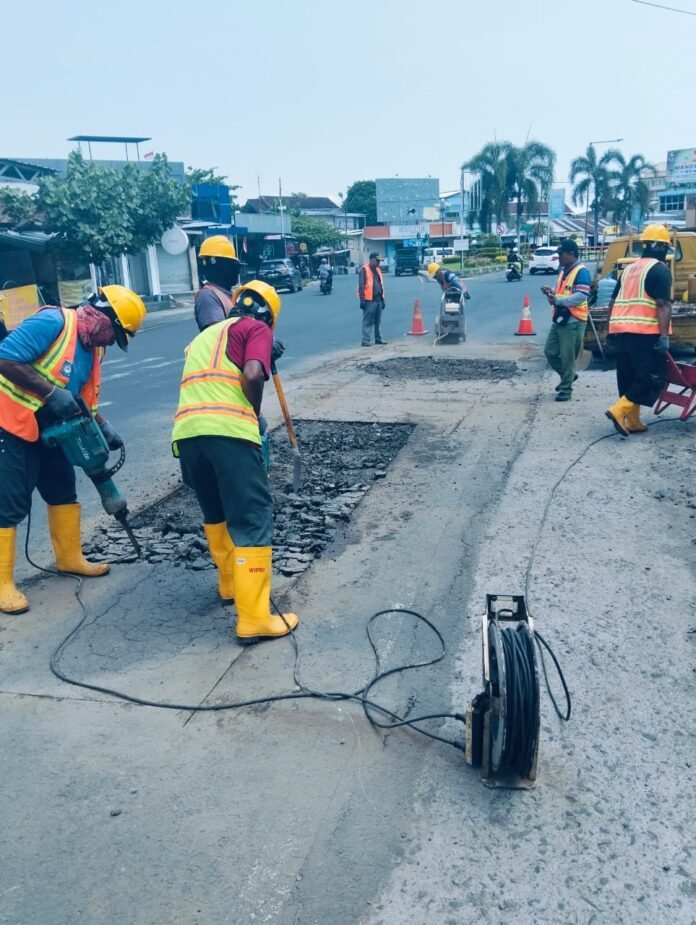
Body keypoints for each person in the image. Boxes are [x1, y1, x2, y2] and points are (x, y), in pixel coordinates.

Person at [0, 286, 146, 614]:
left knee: (63, 490)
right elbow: (5, 358)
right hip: (11, 422)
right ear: (103, 317)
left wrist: (102, 424)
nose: (112, 342)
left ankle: (69, 558)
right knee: (9, 502)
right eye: (115, 334)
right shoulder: (53, 323)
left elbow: (82, 396)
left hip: (53, 429)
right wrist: (50, 393)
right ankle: (3, 584)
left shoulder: (93, 349)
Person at [171, 280, 299, 644]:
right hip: (227, 432)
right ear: (268, 316)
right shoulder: (255, 328)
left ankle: (229, 584)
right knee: (253, 517)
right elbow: (253, 373)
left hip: (188, 435)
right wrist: (253, 414)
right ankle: (255, 618)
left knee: (216, 512)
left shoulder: (203, 338)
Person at [605, 224, 673, 436]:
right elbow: (663, 304)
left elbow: (613, 302)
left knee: (629, 376)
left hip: (622, 331)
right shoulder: (660, 270)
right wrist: (664, 336)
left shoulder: (629, 270)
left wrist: (609, 331)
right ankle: (619, 410)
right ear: (661, 247)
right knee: (652, 377)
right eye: (666, 247)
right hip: (645, 333)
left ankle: (633, 420)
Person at [542, 240, 591, 402]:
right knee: (550, 351)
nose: (559, 257)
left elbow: (581, 295)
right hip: (561, 318)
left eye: (561, 254)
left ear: (571, 254)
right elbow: (564, 291)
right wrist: (552, 291)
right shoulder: (564, 271)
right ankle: (568, 376)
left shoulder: (581, 272)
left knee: (568, 357)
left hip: (574, 320)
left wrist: (558, 300)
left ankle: (565, 389)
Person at [194, 235, 241, 332]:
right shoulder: (208, 296)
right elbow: (217, 335)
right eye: (230, 264)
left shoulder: (227, 294)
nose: (235, 270)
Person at [358, 253, 387, 346]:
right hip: (369, 300)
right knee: (368, 321)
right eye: (377, 261)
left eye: (379, 261)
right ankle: (365, 340)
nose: (378, 263)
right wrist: (362, 299)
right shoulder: (364, 270)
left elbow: (380, 285)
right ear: (371, 260)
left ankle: (378, 338)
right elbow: (361, 286)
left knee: (378, 320)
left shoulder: (378, 270)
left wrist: (382, 300)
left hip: (378, 299)